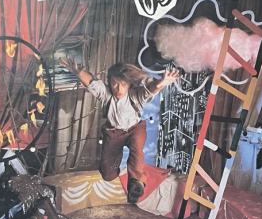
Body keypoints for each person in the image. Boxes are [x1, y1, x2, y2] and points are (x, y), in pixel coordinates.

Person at [61, 57, 180, 203]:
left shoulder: (136, 95)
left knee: (137, 150)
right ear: (109, 83)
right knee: (108, 174)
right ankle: (112, 172)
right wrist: (77, 71)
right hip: (113, 133)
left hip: (134, 129)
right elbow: (91, 82)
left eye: (123, 84)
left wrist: (161, 83)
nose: (118, 89)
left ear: (129, 84)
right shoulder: (106, 94)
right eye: (114, 84)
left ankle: (136, 183)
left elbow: (150, 90)